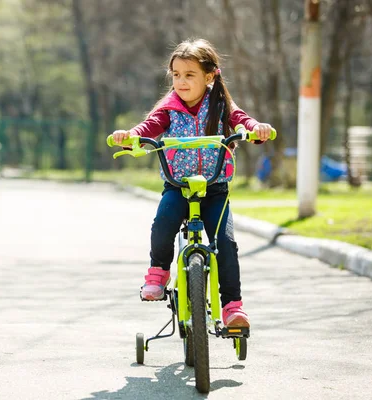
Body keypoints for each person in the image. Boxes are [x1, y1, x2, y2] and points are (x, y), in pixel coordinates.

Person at [111, 38, 273, 328]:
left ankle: (232, 307)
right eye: (176, 75)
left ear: (209, 76)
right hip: (178, 186)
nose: (181, 82)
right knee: (163, 222)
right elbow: (148, 127)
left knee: (226, 243)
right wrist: (130, 135)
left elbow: (241, 120)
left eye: (189, 75)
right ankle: (158, 273)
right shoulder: (168, 107)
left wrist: (255, 128)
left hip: (215, 190)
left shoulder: (221, 105)